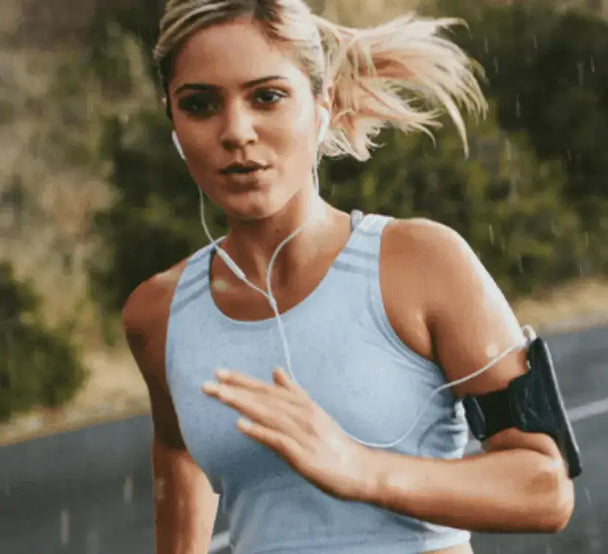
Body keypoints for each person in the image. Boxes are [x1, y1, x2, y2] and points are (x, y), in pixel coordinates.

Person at [119, 1, 575, 553]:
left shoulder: (421, 262)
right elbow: (178, 449)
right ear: (173, 122)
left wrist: (359, 468)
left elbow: (544, 487)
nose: (236, 131)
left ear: (322, 103)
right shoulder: (159, 314)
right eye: (200, 105)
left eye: (267, 96)